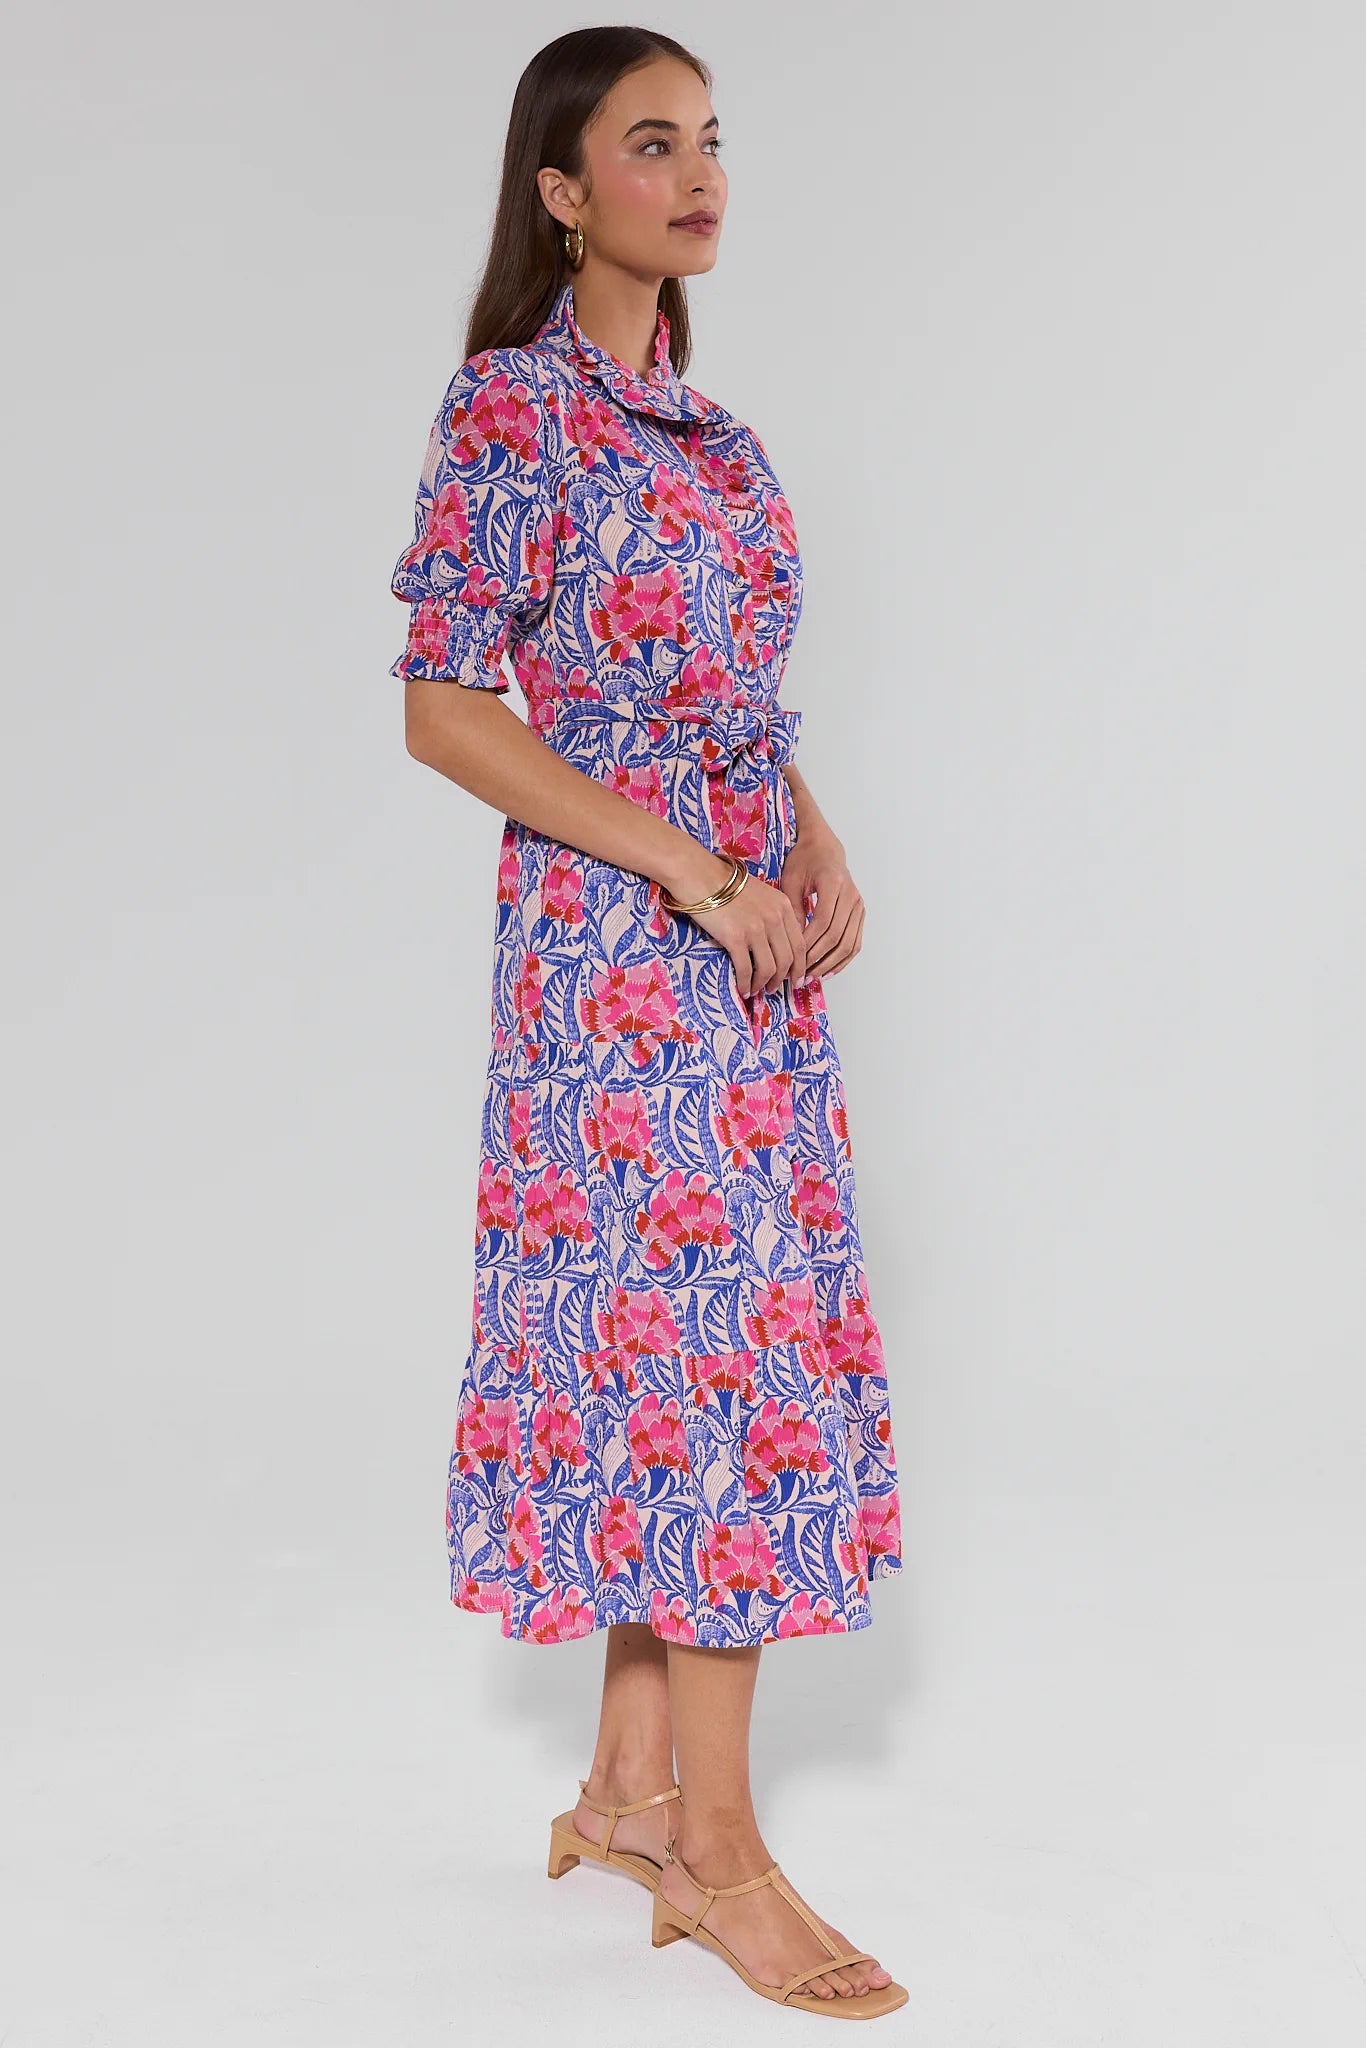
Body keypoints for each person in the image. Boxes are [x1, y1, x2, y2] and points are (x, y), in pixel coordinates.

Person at [387, 24, 907, 2020]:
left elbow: (737, 714)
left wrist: (805, 829)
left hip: (746, 935)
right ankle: (718, 1841)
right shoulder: (512, 411)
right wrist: (688, 870)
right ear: (558, 190)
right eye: (647, 145)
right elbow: (445, 707)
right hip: (617, 956)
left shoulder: (722, 440)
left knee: (678, 1334)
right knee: (717, 1352)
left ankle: (621, 1786)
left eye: (710, 143)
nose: (695, 176)